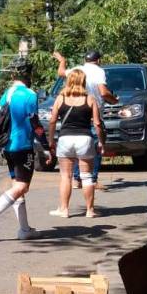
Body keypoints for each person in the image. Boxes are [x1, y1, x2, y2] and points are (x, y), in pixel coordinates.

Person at [0, 56, 50, 242]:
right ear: (28, 74)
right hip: (23, 145)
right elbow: (35, 123)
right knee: (21, 186)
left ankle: (24, 229)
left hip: (8, 145)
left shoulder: (7, 94)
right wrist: (47, 146)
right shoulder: (30, 95)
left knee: (17, 186)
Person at [54, 50, 119, 189]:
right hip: (92, 111)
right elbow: (103, 92)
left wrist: (62, 61)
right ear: (99, 60)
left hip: (77, 113)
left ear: (85, 60)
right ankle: (92, 179)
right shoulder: (99, 71)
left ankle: (77, 179)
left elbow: (61, 73)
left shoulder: (77, 70)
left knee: (80, 147)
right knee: (95, 147)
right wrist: (114, 100)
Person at [47, 68, 105, 218]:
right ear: (83, 81)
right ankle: (90, 210)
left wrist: (50, 139)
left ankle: (64, 209)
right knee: (86, 176)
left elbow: (52, 120)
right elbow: (97, 124)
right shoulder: (90, 99)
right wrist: (101, 142)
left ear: (69, 81)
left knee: (66, 176)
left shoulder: (61, 98)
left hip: (65, 139)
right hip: (84, 139)